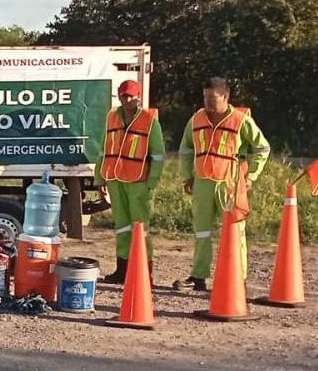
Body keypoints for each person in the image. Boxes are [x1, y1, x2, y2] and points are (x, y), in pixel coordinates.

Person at [173, 77, 271, 291]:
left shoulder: (240, 120)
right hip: (202, 183)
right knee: (202, 232)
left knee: (235, 232)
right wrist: (187, 176)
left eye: (213, 97)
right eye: (205, 96)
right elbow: (186, 149)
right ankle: (198, 277)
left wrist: (251, 177)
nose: (208, 101)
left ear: (225, 96)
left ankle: (238, 280)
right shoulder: (196, 119)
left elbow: (262, 148)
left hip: (230, 184)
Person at [94, 79, 165, 284]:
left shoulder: (149, 121)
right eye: (124, 96)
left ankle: (145, 273)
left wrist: (152, 182)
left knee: (140, 228)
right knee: (122, 226)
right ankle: (122, 270)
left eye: (131, 96)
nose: (127, 100)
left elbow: (158, 155)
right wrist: (99, 177)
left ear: (138, 97)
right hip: (115, 178)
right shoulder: (112, 117)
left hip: (138, 181)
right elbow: (103, 149)